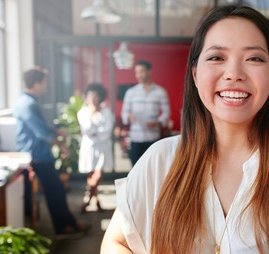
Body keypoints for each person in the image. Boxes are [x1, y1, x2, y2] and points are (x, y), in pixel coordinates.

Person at [100, 6, 269, 254]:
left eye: (254, 58)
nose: (234, 74)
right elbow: (115, 243)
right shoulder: (159, 161)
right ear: (194, 73)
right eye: (217, 57)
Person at [14, 66, 90, 238]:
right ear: (37, 83)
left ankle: (67, 224)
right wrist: (61, 145)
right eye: (44, 81)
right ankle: (64, 227)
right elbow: (41, 133)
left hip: (36, 154)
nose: (46, 85)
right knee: (55, 190)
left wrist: (57, 131)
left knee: (54, 190)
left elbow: (41, 127)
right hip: (36, 156)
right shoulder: (28, 104)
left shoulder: (26, 101)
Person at [121, 60, 171, 166]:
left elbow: (166, 113)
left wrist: (158, 122)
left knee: (152, 169)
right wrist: (129, 116)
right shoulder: (130, 93)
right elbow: (124, 114)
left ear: (149, 71)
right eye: (136, 72)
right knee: (135, 170)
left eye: (141, 71)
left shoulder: (160, 92)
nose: (138, 75)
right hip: (136, 139)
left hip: (153, 139)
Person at [77, 82, 114, 213]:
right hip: (89, 148)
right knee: (91, 174)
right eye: (90, 96)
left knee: (98, 174)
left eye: (95, 96)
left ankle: (87, 198)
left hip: (102, 148)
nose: (93, 99)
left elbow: (107, 130)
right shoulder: (83, 112)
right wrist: (93, 117)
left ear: (100, 97)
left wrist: (95, 132)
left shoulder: (107, 111)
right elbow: (87, 129)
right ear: (86, 97)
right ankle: (96, 200)